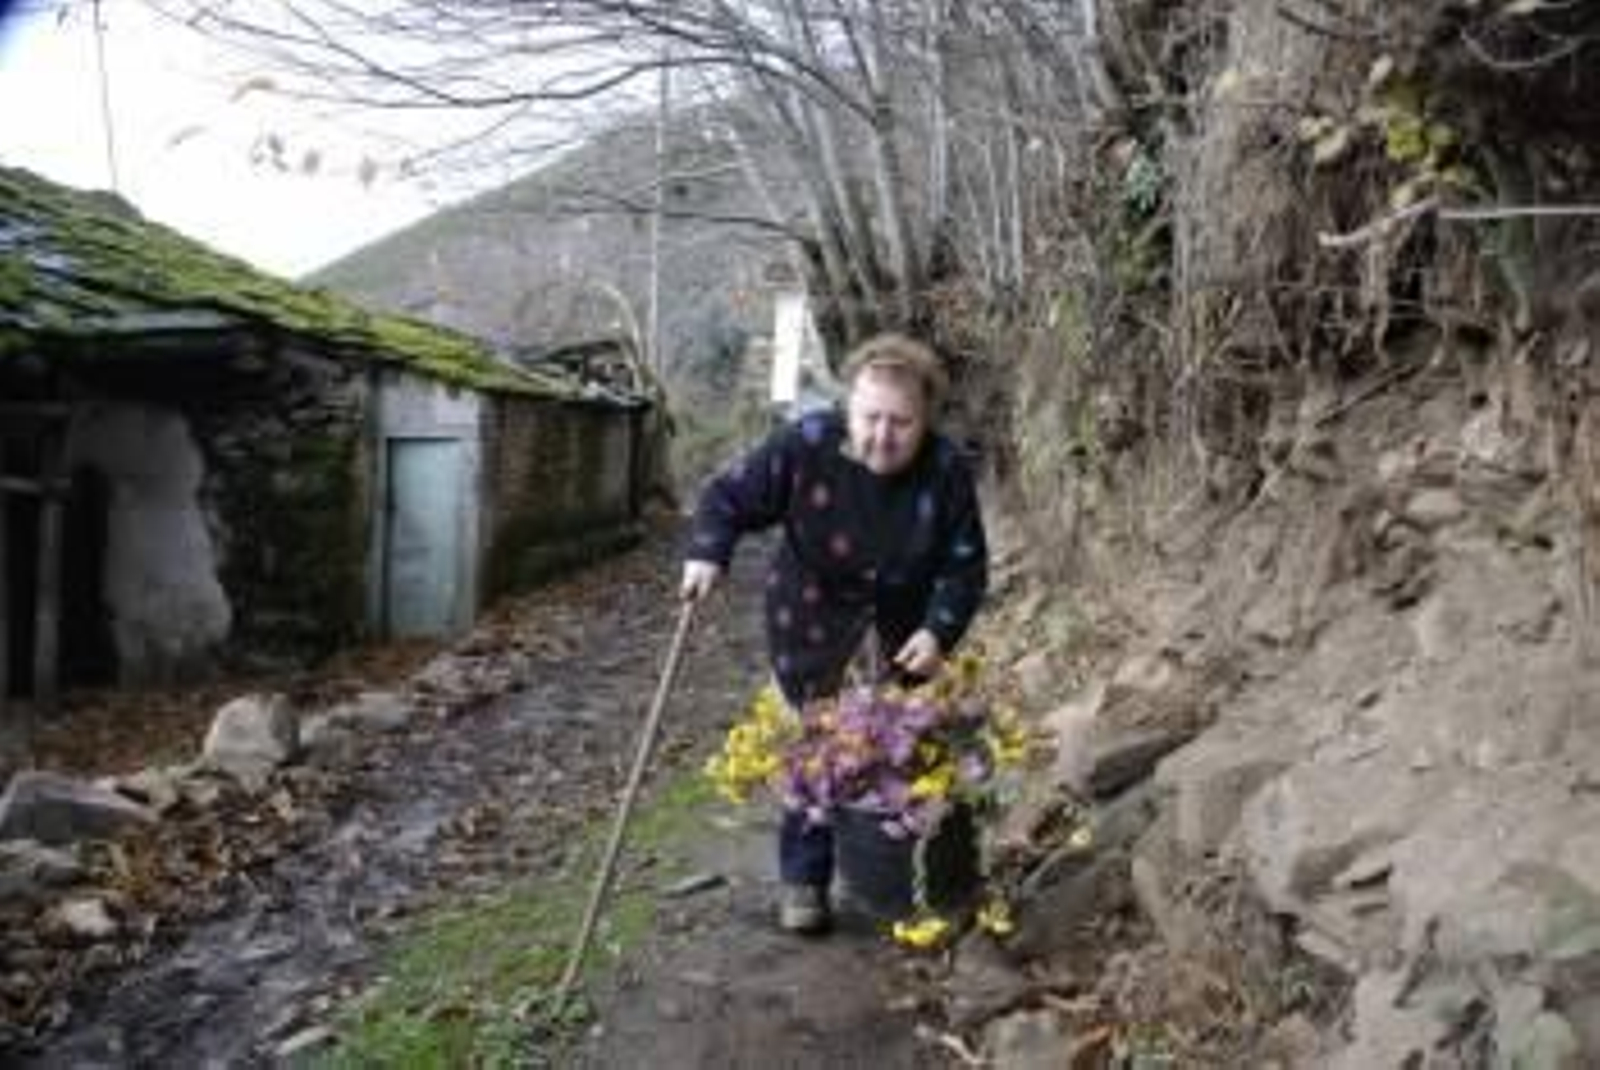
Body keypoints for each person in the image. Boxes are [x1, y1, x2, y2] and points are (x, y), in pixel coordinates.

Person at [680, 332, 989, 934]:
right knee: (814, 749)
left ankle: (895, 877)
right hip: (812, 626)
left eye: (901, 423)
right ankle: (805, 881)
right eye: (871, 417)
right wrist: (707, 553)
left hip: (902, 635)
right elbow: (728, 496)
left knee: (892, 752)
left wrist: (939, 631)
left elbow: (965, 564)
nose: (882, 435)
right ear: (849, 407)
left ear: (925, 419)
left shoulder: (946, 470)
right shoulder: (807, 445)